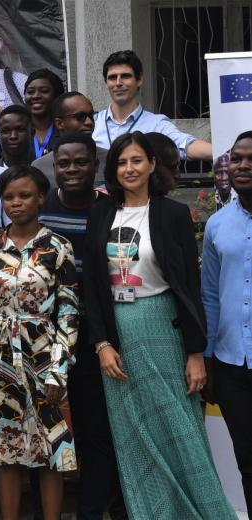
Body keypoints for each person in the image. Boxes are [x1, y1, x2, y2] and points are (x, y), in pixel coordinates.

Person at [82, 131, 235, 519]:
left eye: (136, 160)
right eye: (121, 162)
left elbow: (189, 286)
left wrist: (196, 352)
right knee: (135, 439)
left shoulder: (172, 213)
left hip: (164, 329)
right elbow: (93, 286)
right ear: (112, 170)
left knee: (181, 433)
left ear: (152, 164)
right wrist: (101, 344)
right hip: (118, 336)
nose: (129, 169)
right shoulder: (101, 213)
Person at [0, 166, 78, 520]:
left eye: (24, 195)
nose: (16, 203)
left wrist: (58, 371)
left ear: (40, 198)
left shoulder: (58, 248)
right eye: (9, 197)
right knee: (5, 452)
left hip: (45, 358)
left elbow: (68, 314)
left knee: (50, 451)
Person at [37, 133, 123, 520]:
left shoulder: (111, 210)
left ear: (95, 166)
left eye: (80, 162)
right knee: (46, 428)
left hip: (95, 335)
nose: (72, 170)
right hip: (43, 338)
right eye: (64, 164)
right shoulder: (40, 209)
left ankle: (90, 512)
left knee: (94, 431)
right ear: (54, 169)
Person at [203, 130, 252, 511]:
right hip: (233, 364)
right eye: (237, 158)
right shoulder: (217, 225)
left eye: (251, 158)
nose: (244, 165)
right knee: (247, 463)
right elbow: (210, 296)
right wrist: (206, 358)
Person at [93, 50, 211, 160]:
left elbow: (186, 145)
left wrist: (226, 154)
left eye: (125, 76)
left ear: (139, 80)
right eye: (112, 78)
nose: (118, 83)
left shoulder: (156, 124)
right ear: (106, 83)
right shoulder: (93, 123)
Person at [33, 91, 107, 186]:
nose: (89, 122)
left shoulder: (109, 159)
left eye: (91, 116)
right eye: (80, 117)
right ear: (59, 123)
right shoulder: (40, 167)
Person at [23, 69, 66, 159]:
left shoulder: (66, 130)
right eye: (30, 92)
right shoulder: (19, 132)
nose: (36, 96)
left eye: (44, 91)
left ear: (57, 95)